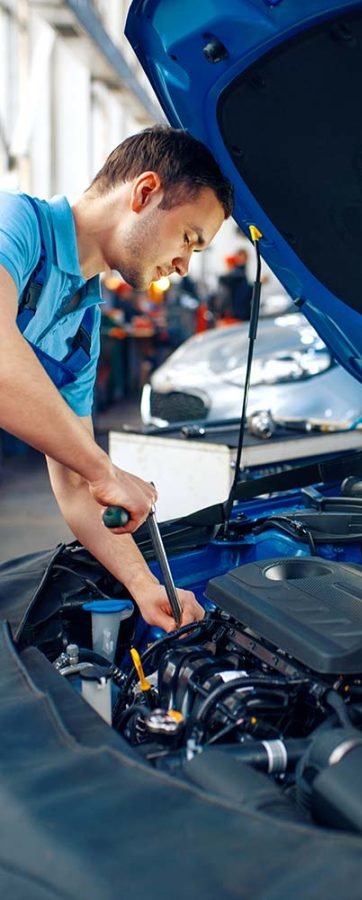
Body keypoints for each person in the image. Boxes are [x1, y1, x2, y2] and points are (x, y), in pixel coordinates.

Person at [0, 125, 233, 631]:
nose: (183, 263)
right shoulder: (14, 220)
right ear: (145, 192)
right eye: (189, 238)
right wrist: (106, 471)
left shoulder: (81, 327)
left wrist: (145, 584)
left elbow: (77, 484)